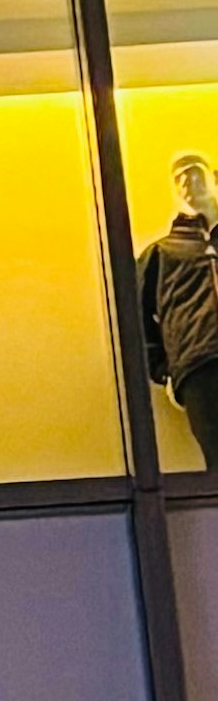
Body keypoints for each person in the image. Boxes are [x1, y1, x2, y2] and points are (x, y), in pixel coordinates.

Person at [144, 150, 218, 467]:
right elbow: (139, 320)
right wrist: (164, 370)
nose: (189, 180)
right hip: (199, 364)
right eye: (181, 177)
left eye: (196, 172)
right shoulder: (160, 254)